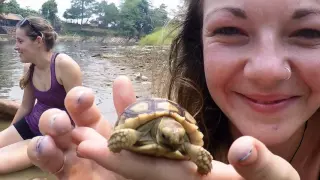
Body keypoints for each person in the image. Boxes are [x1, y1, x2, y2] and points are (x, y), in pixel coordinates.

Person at [27, 0, 319, 179]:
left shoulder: (189, 144)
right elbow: (128, 135)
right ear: (197, 47)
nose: (267, 71)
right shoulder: (188, 137)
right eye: (230, 30)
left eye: (311, 32)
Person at [0, 16, 82, 173]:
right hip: (30, 123)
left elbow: (79, 113)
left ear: (38, 41)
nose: (16, 46)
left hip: (51, 136)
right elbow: (25, 106)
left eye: (20, 41)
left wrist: (75, 152)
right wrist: (11, 131)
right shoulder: (29, 68)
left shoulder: (64, 65)